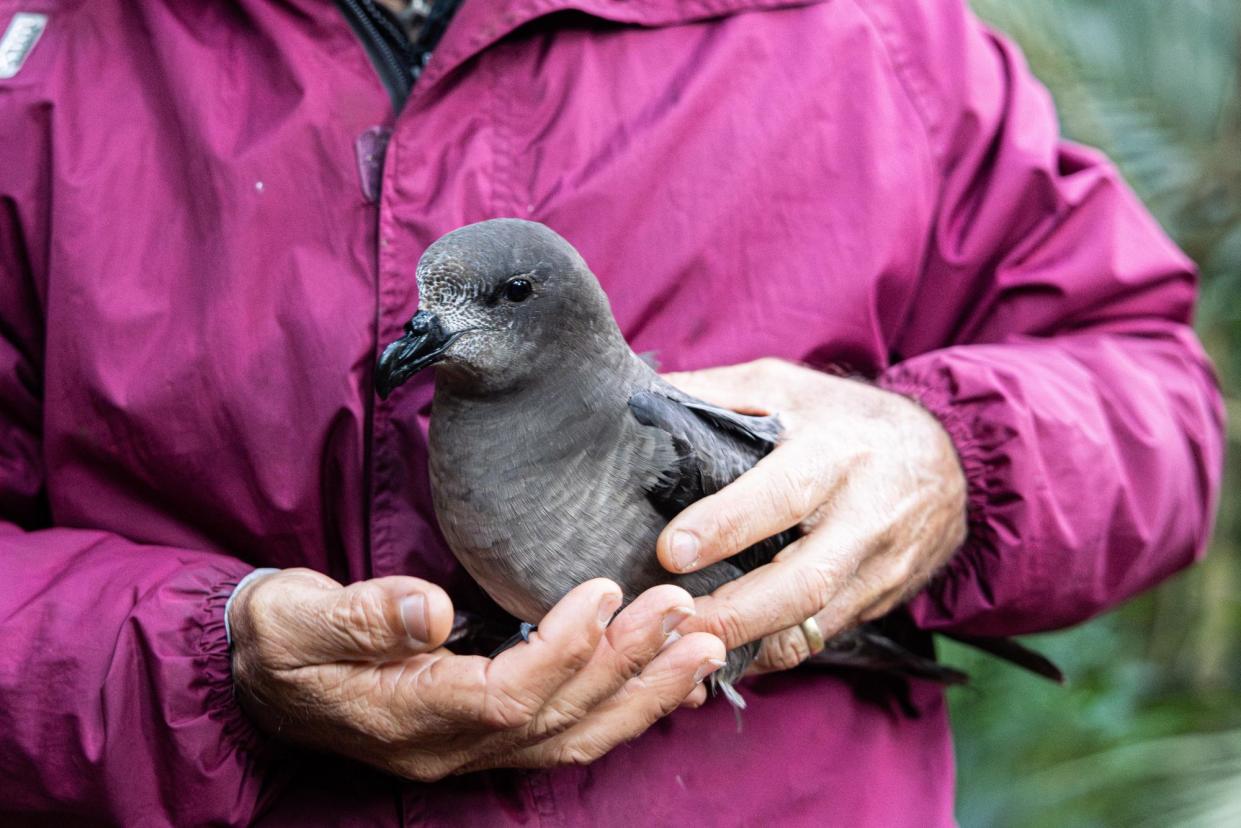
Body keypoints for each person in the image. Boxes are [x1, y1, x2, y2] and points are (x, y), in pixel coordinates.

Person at [0, 0, 1224, 824]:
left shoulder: (880, 31)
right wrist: (205, 667)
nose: (421, 343)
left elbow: (1154, 392)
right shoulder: (43, 51)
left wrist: (947, 458)